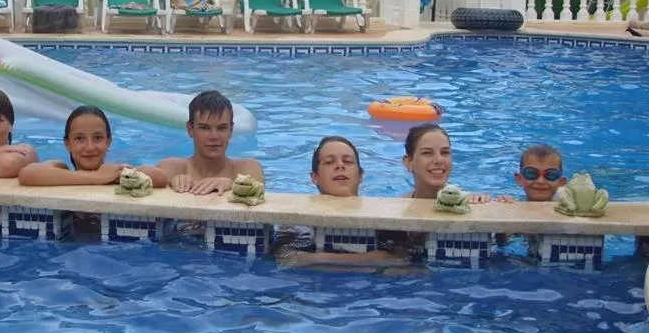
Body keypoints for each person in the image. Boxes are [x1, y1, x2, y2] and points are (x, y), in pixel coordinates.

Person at [274, 136, 409, 268]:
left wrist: (321, 259)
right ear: (315, 177)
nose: (340, 166)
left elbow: (400, 258)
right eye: (329, 162)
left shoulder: (382, 214)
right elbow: (285, 258)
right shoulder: (300, 218)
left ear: (361, 176)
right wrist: (366, 262)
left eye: (348, 161)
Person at [18, 105, 168, 188]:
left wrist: (117, 176)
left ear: (108, 142)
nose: (89, 147)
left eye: (97, 138)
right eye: (80, 139)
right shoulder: (60, 169)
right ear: (67, 144)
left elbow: (160, 177)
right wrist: (96, 177)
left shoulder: (115, 173)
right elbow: (27, 174)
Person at [157, 90, 263, 195]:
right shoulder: (172, 169)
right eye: (205, 128)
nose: (214, 136)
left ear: (231, 130)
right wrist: (168, 183)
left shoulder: (246, 170)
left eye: (221, 128)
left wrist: (232, 185)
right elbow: (142, 177)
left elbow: (257, 194)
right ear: (190, 129)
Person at [402, 123, 491, 202]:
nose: (439, 160)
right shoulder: (398, 204)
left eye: (445, 152)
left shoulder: (470, 201)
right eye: (427, 153)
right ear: (409, 162)